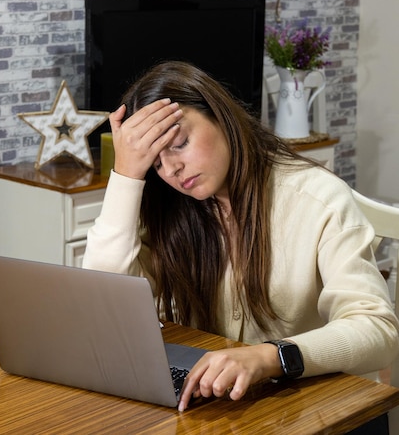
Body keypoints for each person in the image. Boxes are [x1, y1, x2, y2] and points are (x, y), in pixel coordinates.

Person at [83, 60, 399, 429]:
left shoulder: (317, 197)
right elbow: (105, 306)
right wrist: (125, 175)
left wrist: (270, 358)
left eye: (180, 144)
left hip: (309, 408)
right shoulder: (167, 208)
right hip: (219, 409)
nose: (171, 170)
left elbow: (378, 331)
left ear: (220, 117)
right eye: (154, 163)